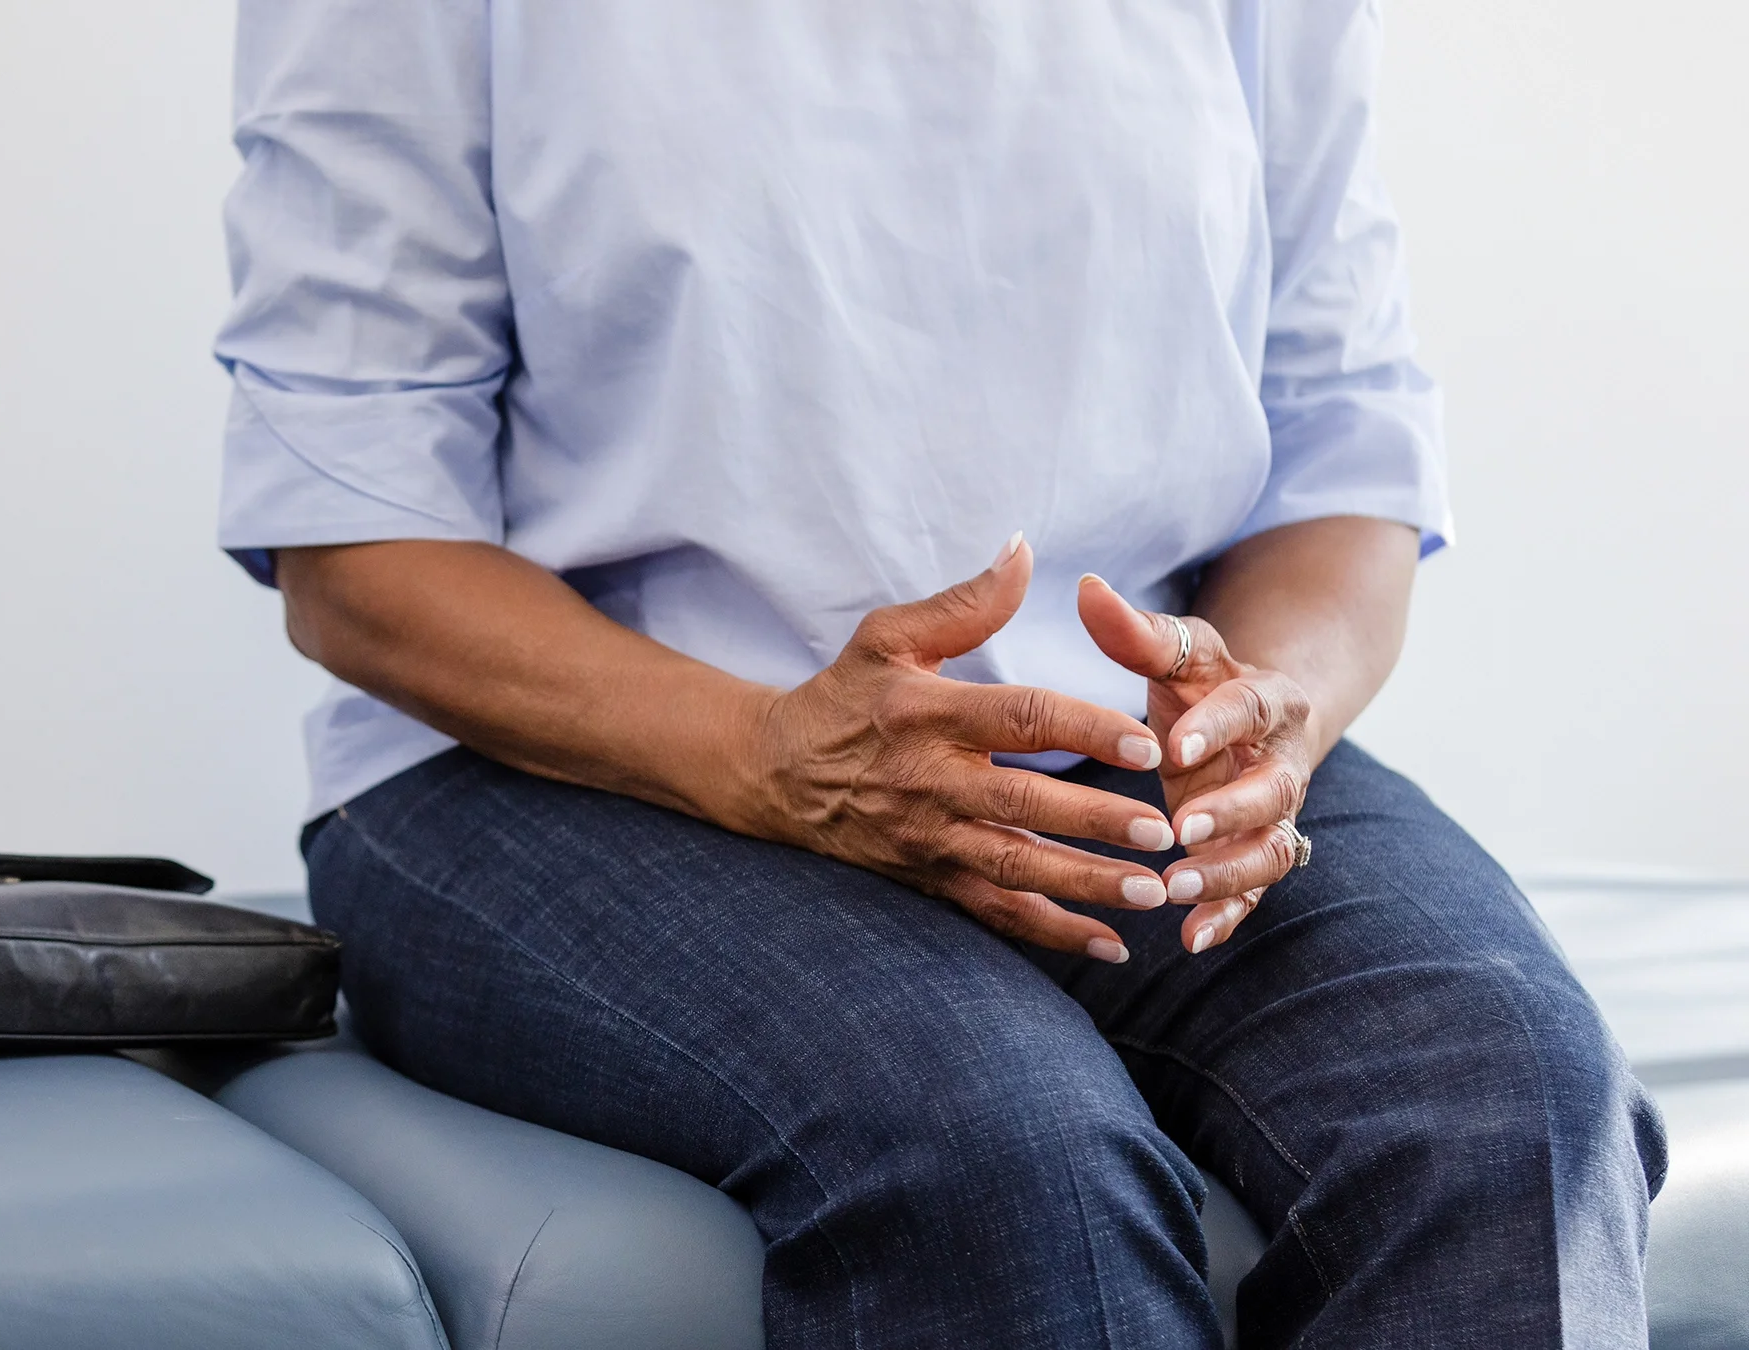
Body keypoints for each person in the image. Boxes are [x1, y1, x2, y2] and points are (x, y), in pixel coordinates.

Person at [212, 2, 1666, 1344]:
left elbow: (1341, 434)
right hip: (568, 772)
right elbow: (356, 539)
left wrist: (1268, 704)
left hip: (1123, 754)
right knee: (1002, 1157)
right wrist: (762, 749)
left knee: (1505, 1096)